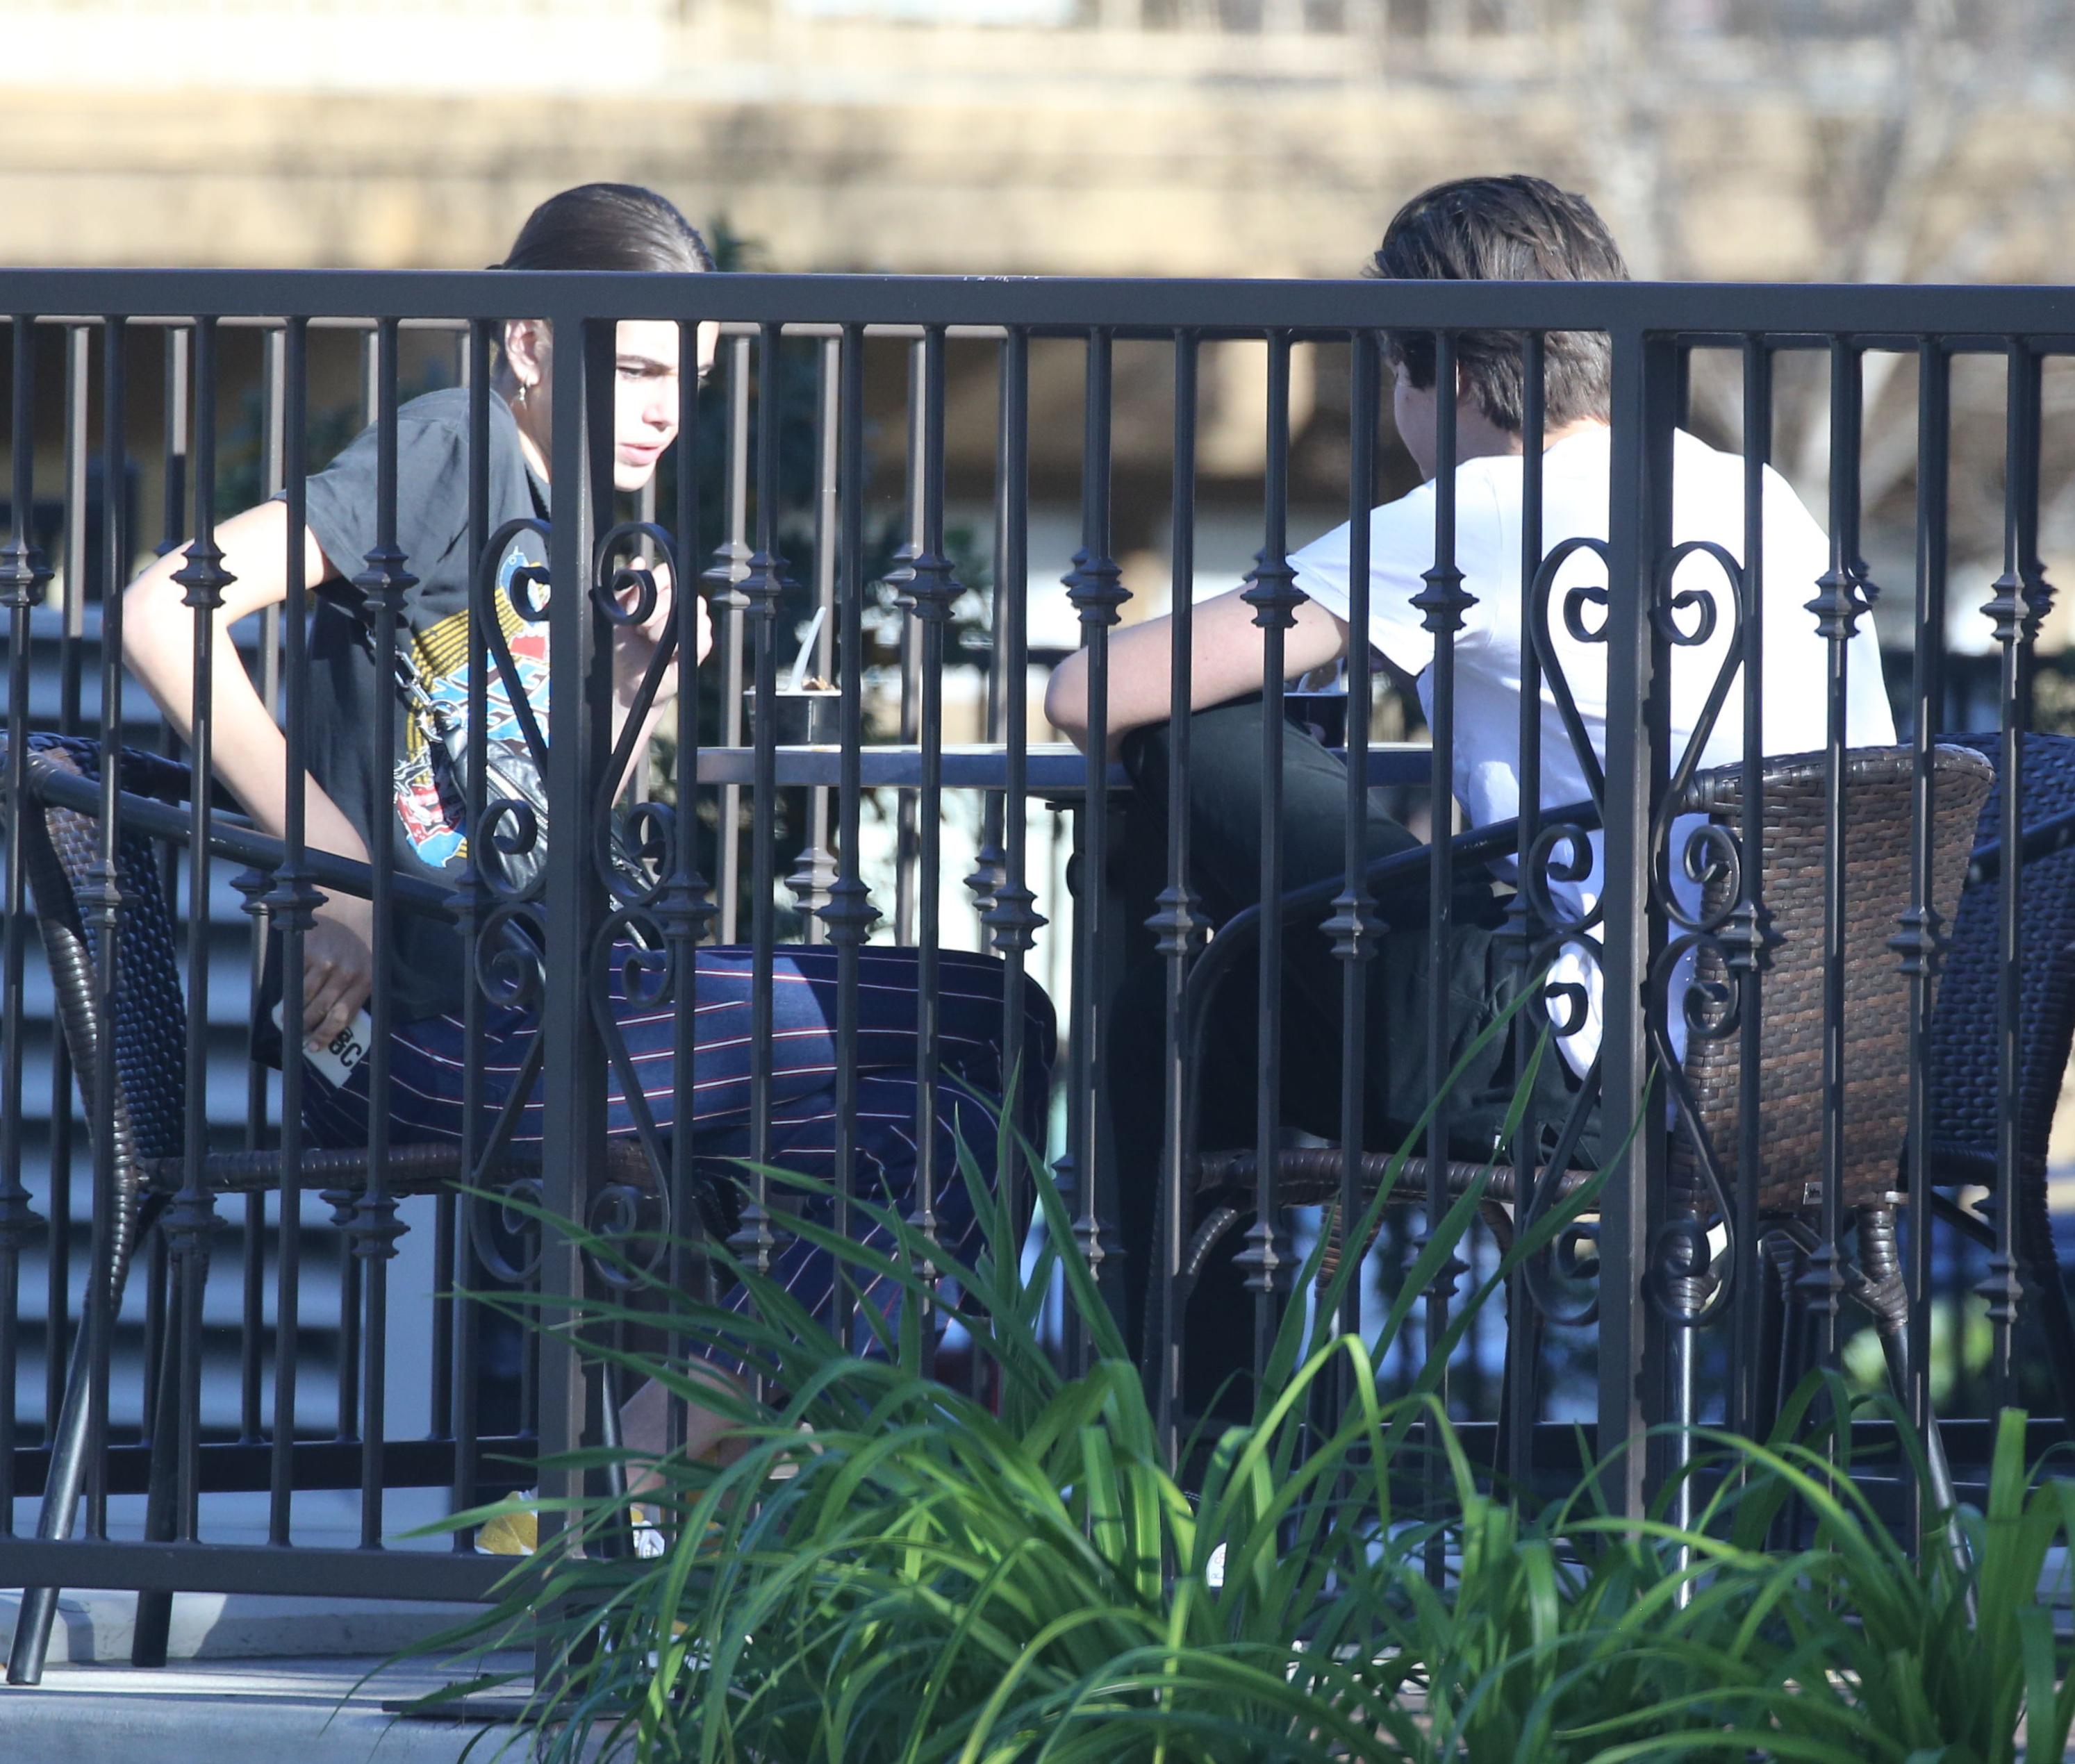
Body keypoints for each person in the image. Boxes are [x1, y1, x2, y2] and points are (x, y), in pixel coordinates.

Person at [124, 183, 1055, 1479]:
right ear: (529, 342)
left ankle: (680, 1440)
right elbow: (161, 608)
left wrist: (632, 685)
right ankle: (680, 1452)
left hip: (523, 1010)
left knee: (939, 1124)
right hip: (412, 1034)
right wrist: (338, 878)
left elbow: (527, 835)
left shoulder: (570, 525)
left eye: (689, 377)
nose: (667, 409)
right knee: (996, 1019)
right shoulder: (453, 450)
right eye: (636, 368)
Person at [1044, 173, 1894, 1414]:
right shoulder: (1748, 492)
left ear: (1432, 372)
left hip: (1586, 1059)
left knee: (1195, 748)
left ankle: (1199, 1463)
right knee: (1194, 1016)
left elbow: (1087, 693)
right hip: (1815, 1043)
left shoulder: (1479, 510)